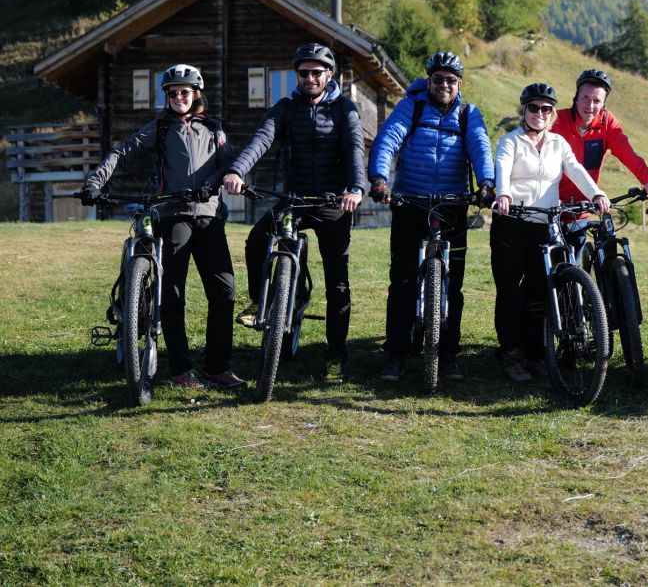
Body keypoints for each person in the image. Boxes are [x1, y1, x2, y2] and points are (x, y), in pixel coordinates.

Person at [80, 64, 242, 390]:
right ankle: (181, 369)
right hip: (173, 215)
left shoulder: (214, 128)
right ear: (167, 97)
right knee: (172, 294)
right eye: (172, 93)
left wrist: (210, 184)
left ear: (196, 94)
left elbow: (229, 163)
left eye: (184, 92)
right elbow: (121, 152)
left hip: (209, 216)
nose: (179, 97)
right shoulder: (160, 128)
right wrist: (94, 182)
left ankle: (217, 367)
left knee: (224, 291)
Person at [222, 42, 365, 381]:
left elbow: (355, 149)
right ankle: (261, 301)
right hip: (294, 199)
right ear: (297, 76)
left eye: (317, 72)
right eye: (304, 73)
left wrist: (356, 188)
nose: (311, 77)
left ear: (329, 75)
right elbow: (261, 139)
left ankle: (335, 355)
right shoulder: (285, 107)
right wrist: (237, 171)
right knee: (256, 242)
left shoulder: (345, 109)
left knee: (338, 283)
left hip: (332, 202)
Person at [368, 51, 495, 383]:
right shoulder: (412, 106)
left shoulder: (469, 114)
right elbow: (387, 140)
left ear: (459, 84)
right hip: (410, 200)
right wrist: (380, 179)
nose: (444, 85)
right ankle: (396, 354)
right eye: (438, 79)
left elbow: (481, 147)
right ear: (428, 81)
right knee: (403, 281)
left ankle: (448, 356)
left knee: (454, 286)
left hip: (453, 204)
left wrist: (487, 183)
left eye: (451, 80)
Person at [491, 83, 610, 382]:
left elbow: (576, 169)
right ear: (524, 110)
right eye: (533, 108)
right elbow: (502, 168)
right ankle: (511, 354)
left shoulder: (558, 143)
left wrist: (596, 194)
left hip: (544, 223)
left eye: (546, 109)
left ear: (553, 113)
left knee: (537, 291)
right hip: (512, 221)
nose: (539, 114)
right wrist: (503, 194)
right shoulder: (511, 141)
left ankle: (536, 353)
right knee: (509, 290)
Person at [550, 67, 648, 251]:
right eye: (585, 98)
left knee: (574, 269)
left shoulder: (607, 123)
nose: (590, 106)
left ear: (604, 104)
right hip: (551, 207)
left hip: (581, 210)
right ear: (576, 97)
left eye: (596, 101)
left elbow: (628, 155)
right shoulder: (556, 121)